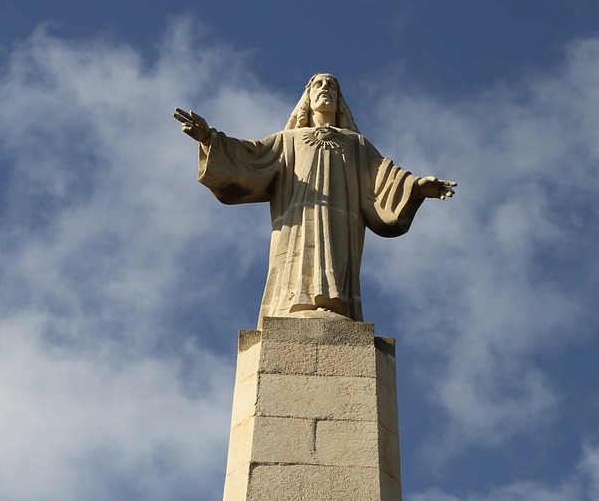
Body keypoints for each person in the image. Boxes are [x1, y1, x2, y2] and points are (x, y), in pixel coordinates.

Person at [174, 73, 455, 325]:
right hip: (297, 217)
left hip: (341, 220)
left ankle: (334, 305)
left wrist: (417, 187)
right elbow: (250, 155)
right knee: (297, 258)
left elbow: (383, 176)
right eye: (319, 84)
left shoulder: (356, 144)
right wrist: (209, 138)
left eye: (332, 86)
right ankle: (293, 305)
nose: (325, 89)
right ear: (307, 96)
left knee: (335, 255)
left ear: (339, 99)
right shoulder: (288, 139)